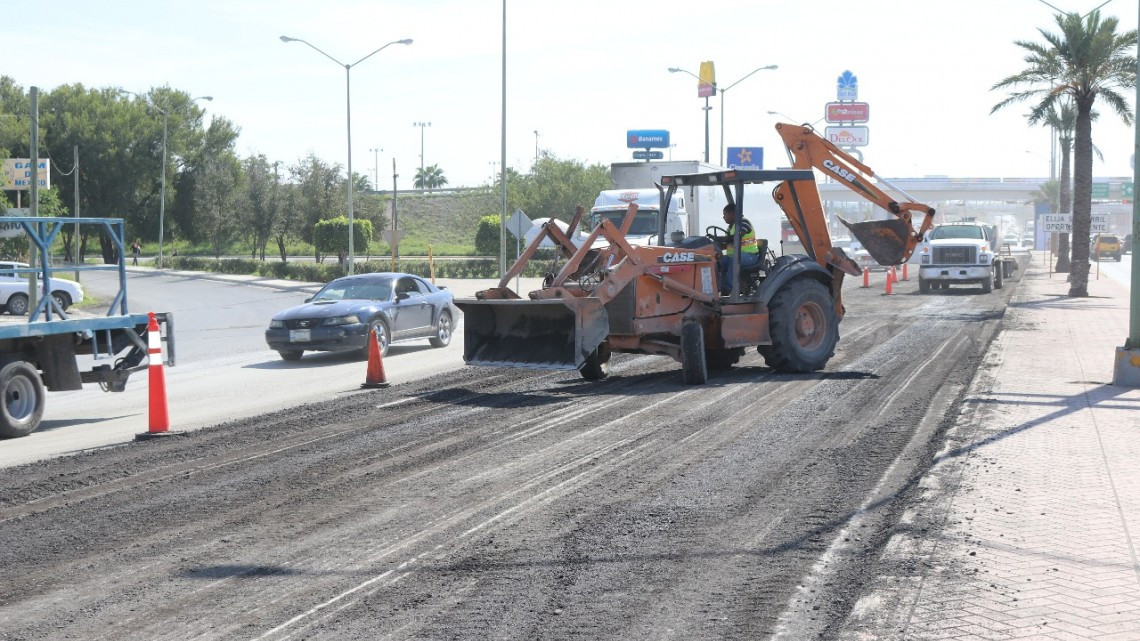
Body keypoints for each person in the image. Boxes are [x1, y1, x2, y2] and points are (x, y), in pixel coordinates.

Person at [716, 203, 760, 295]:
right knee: (717, 261)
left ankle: (727, 289)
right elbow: (727, 243)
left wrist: (720, 239)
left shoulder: (744, 223)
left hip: (750, 256)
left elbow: (736, 237)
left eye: (725, 214)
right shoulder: (730, 227)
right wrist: (714, 246)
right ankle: (716, 287)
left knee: (735, 260)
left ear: (732, 213)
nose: (723, 217)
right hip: (734, 256)